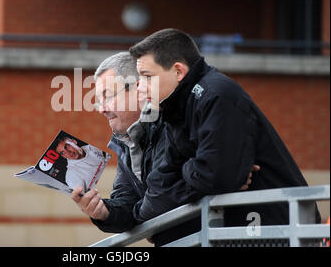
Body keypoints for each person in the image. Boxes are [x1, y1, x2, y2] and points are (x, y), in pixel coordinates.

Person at [128, 28, 320, 229]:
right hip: (243, 230)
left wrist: (190, 170)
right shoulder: (177, 108)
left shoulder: (217, 95)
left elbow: (215, 177)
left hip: (276, 229)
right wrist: (197, 168)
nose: (140, 87)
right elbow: (160, 188)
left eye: (147, 76)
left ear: (178, 71)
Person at [71, 51, 258, 246]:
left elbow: (163, 196)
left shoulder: (172, 121)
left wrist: (145, 219)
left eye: (108, 96)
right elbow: (130, 201)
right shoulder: (127, 140)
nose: (102, 109)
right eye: (99, 101)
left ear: (138, 88)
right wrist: (103, 212)